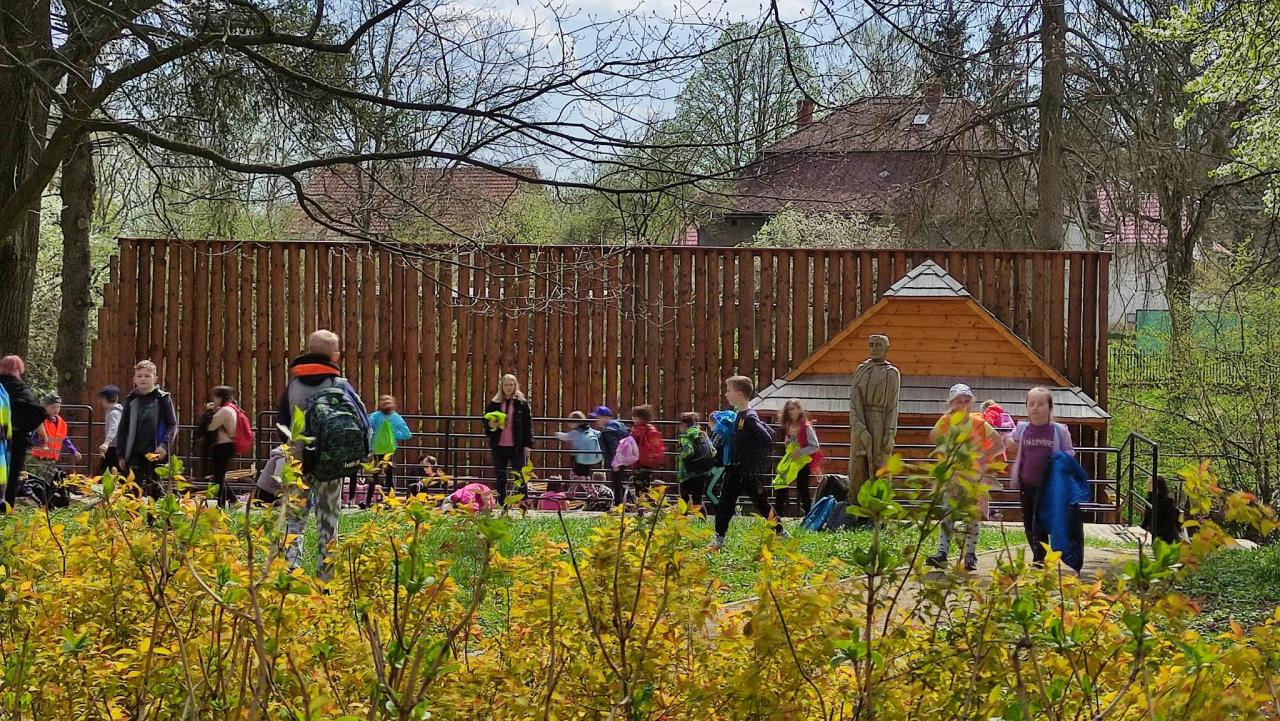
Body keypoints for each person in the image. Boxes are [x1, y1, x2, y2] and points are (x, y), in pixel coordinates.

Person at [277, 329, 370, 581]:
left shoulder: (293, 385)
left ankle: (289, 574)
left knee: (293, 520)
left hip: (298, 463)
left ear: (308, 351)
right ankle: (325, 579)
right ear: (335, 356)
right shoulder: (340, 385)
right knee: (328, 522)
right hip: (331, 464)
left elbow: (281, 423)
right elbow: (362, 424)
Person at [926, 383, 1001, 572]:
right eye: (959, 401)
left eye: (967, 400)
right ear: (951, 403)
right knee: (948, 513)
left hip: (975, 477)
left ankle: (970, 555)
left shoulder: (978, 423)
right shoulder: (945, 421)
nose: (963, 405)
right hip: (953, 476)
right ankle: (942, 553)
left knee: (973, 516)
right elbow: (933, 438)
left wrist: (984, 457)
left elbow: (999, 443)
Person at [710, 376, 786, 551]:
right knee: (725, 503)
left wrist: (750, 458)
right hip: (735, 470)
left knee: (761, 503)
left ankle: (780, 532)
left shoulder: (749, 417)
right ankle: (719, 537)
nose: (726, 394)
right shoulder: (740, 415)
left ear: (739, 393)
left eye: (728, 390)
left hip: (745, 471)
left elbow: (766, 439)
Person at [1006, 387, 1075, 568]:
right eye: (1031, 404)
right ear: (1027, 408)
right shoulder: (1022, 429)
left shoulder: (1059, 431)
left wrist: (1061, 460)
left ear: (1049, 408)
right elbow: (1009, 440)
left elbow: (1070, 452)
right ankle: (1039, 554)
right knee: (1028, 522)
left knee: (1038, 521)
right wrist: (1009, 442)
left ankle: (1039, 559)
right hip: (1026, 483)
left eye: (1040, 404)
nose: (1035, 408)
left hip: (1048, 485)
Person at [113, 361, 179, 498]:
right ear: (134, 379)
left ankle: (153, 511)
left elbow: (172, 425)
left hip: (155, 453)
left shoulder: (163, 398)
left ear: (155, 379)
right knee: (133, 490)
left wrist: (164, 445)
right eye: (140, 376)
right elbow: (123, 428)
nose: (143, 379)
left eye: (147, 376)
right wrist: (121, 454)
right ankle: (134, 512)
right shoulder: (130, 400)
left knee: (154, 489)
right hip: (134, 453)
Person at [0, 355, 46, 511]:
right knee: (12, 473)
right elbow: (34, 411)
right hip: (17, 438)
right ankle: (7, 506)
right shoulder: (21, 388)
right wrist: (41, 433)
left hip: (2, 435)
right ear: (19, 369)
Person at [482, 374, 534, 504]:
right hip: (498, 446)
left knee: (519, 476)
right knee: (501, 477)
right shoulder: (494, 403)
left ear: (515, 386)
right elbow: (485, 420)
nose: (508, 387)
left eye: (511, 385)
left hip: (517, 446)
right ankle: (502, 504)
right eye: (506, 385)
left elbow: (528, 425)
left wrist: (528, 445)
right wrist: (490, 425)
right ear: (502, 387)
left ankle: (523, 505)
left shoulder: (522, 403)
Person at [776, 399, 823, 516]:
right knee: (781, 483)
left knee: (802, 488)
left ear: (799, 409)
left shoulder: (806, 426)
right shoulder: (789, 424)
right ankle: (777, 515)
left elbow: (815, 446)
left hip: (803, 461)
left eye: (793, 409)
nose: (791, 412)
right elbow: (789, 440)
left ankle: (808, 515)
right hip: (792, 459)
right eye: (788, 410)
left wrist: (800, 452)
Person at [367, 395, 412, 506]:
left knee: (373, 476)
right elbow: (407, 434)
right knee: (389, 477)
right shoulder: (396, 418)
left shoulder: (375, 416)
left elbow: (366, 426)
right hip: (389, 451)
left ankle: (368, 501)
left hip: (376, 449)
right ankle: (390, 502)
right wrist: (394, 434)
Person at [202, 386, 239, 508]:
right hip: (228, 445)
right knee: (219, 475)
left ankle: (222, 505)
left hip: (223, 446)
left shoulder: (224, 411)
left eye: (216, 397)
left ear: (220, 397)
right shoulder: (232, 408)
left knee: (219, 477)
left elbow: (210, 426)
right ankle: (233, 500)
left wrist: (210, 411)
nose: (214, 400)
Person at [28, 394, 82, 480]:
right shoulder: (41, 420)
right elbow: (32, 436)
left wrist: (73, 450)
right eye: (52, 407)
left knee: (48, 481)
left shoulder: (61, 422)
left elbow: (64, 438)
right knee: (37, 480)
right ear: (45, 407)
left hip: (52, 458)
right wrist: (37, 443)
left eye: (58, 407)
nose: (56, 410)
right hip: (39, 458)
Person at [590, 406, 630, 506]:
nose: (597, 420)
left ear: (606, 417)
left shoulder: (609, 431)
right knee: (620, 482)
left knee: (617, 483)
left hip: (616, 461)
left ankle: (619, 505)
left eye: (598, 417)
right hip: (622, 459)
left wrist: (616, 463)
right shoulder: (617, 426)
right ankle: (625, 503)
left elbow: (614, 447)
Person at [676, 412, 714, 508]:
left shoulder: (685, 437)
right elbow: (713, 451)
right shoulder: (703, 435)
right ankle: (701, 517)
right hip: (702, 471)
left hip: (688, 472)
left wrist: (680, 456)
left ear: (684, 424)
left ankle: (682, 516)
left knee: (684, 497)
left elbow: (689, 451)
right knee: (698, 498)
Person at [628, 405, 665, 499]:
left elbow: (630, 444)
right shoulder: (652, 429)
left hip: (639, 462)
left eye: (634, 417)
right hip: (649, 462)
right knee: (646, 484)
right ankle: (646, 501)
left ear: (638, 418)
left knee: (638, 486)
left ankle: (641, 504)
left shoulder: (637, 430)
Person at [555, 411, 602, 480]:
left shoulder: (576, 432)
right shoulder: (590, 430)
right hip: (589, 458)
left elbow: (566, 436)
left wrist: (557, 434)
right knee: (584, 475)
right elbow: (599, 434)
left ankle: (581, 485)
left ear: (575, 423)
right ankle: (583, 484)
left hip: (578, 458)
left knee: (577, 474)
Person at [1141, 475, 1185, 545]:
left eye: (1150, 482)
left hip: (1166, 536)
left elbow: (1169, 523)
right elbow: (1147, 519)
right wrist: (1141, 529)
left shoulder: (1168, 502)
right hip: (1154, 533)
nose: (1147, 484)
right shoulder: (1149, 499)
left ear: (1157, 485)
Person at [97, 385, 123, 475]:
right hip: (114, 446)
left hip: (113, 447)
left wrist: (106, 442)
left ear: (104, 399)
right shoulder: (116, 411)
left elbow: (113, 428)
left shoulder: (113, 413)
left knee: (107, 470)